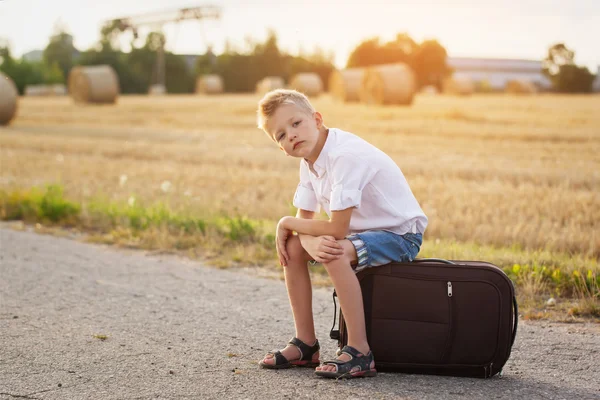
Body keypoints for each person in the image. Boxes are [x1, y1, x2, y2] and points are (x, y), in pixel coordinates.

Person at [256, 89, 427, 379]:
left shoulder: (343, 156)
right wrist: (297, 234)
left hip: (399, 235)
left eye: (296, 124)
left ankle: (360, 351)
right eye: (281, 135)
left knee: (334, 250)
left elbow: (336, 229)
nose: (292, 136)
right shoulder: (308, 162)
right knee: (294, 248)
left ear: (317, 119)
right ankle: (306, 344)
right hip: (360, 234)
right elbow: (304, 222)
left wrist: (287, 223)